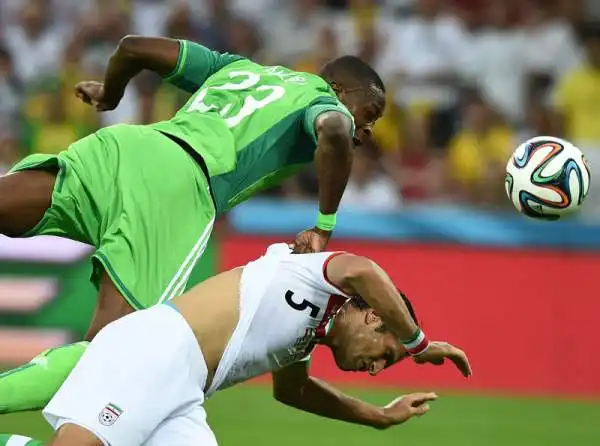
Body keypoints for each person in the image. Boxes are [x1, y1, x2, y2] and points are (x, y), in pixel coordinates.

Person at [0, 36, 385, 414]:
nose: (366, 131)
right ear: (338, 89)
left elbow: (134, 47)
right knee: (112, 353)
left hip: (126, 146)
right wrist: (323, 225)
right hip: (180, 186)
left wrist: (110, 94)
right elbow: (334, 129)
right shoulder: (319, 101)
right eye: (367, 115)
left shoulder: (239, 69)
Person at [34, 243, 470, 445]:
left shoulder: (307, 335)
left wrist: (379, 417)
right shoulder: (315, 277)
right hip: (156, 351)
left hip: (184, 392)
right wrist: (417, 344)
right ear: (375, 315)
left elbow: (292, 389)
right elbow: (364, 271)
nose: (375, 370)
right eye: (385, 356)